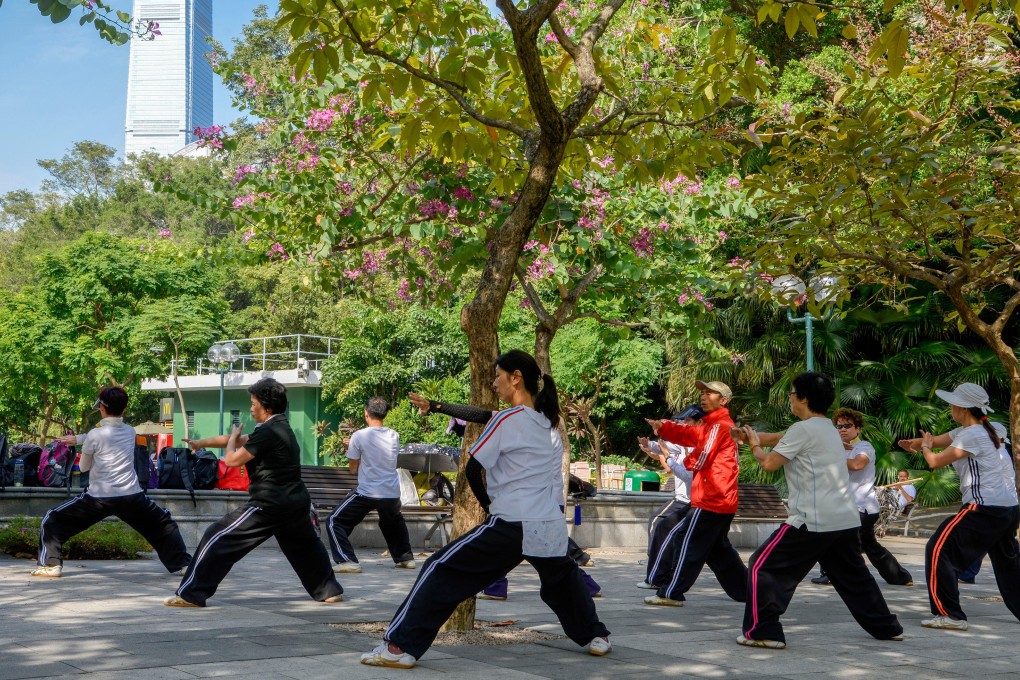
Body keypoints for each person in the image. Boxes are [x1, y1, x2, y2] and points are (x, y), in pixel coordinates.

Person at [360, 350, 611, 669]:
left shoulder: (509, 419)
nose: (493, 382)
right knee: (563, 580)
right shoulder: (550, 422)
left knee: (440, 568)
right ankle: (596, 636)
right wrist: (436, 406)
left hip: (512, 522)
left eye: (497, 376)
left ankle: (399, 648)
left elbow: (474, 467)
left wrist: (491, 508)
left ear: (515, 377)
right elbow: (482, 415)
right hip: (546, 521)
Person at [737, 372, 903, 649]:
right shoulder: (828, 428)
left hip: (811, 521)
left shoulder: (802, 430)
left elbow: (768, 463)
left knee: (761, 566)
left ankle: (763, 631)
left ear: (803, 398)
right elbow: (780, 437)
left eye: (791, 393)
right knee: (855, 578)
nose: (789, 398)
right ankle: (887, 627)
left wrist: (753, 444)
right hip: (845, 519)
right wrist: (746, 435)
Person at [164, 378, 343, 607]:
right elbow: (239, 441)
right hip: (295, 502)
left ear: (266, 406)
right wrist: (200, 442)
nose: (250, 408)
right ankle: (329, 590)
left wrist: (231, 438)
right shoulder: (278, 428)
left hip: (270, 503)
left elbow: (230, 458)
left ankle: (191, 594)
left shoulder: (269, 432)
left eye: (253, 403)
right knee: (306, 547)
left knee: (217, 536)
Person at [405, 391, 601, 600]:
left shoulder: (531, 427)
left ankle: (499, 586)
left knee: (538, 554)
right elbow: (481, 415)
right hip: (538, 505)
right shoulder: (541, 425)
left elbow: (478, 448)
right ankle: (583, 588)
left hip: (530, 507)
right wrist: (436, 405)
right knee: (545, 556)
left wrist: (487, 505)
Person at [897, 382, 1020, 630]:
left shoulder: (972, 435)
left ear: (962, 407)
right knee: (1009, 566)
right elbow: (944, 440)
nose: (950, 406)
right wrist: (917, 442)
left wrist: (924, 447)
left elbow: (934, 460)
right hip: (1009, 508)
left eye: (953, 403)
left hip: (983, 508)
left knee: (938, 549)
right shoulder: (992, 428)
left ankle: (950, 615)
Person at [33, 386, 191, 578]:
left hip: (98, 498)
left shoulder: (95, 434)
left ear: (101, 407)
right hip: (132, 496)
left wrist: (85, 444)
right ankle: (183, 564)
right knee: (163, 523)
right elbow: (107, 433)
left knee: (52, 519)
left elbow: (83, 467)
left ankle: (51, 565)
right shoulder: (130, 432)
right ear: (124, 409)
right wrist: (81, 439)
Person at [642, 380, 748, 607]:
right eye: (703, 392)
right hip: (718, 498)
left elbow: (701, 457)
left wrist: (680, 461)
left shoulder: (719, 426)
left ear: (723, 400)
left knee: (686, 541)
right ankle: (750, 592)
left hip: (712, 498)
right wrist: (664, 428)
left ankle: (670, 593)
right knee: (718, 551)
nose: (704, 396)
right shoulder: (712, 425)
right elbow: (690, 434)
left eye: (710, 393)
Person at [809, 408, 912, 587]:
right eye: (838, 426)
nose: (842, 429)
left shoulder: (864, 446)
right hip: (849, 507)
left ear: (858, 428)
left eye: (847, 425)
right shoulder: (836, 448)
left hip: (860, 508)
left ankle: (833, 575)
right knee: (870, 546)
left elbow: (857, 464)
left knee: (835, 541)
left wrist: (833, 455)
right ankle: (901, 577)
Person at [327, 397, 415, 573]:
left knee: (334, 521)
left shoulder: (358, 435)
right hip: (391, 492)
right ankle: (405, 558)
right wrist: (354, 446)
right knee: (392, 521)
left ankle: (347, 561)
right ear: (385, 413)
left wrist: (351, 448)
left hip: (368, 492)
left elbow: (353, 468)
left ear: (366, 414)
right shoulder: (393, 435)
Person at [636, 404, 702, 590]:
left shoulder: (702, 444)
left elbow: (688, 476)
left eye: (687, 421)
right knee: (718, 552)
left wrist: (668, 459)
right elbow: (665, 447)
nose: (683, 424)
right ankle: (661, 575)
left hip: (696, 502)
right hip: (696, 502)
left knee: (663, 527)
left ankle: (659, 576)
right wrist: (650, 445)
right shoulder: (685, 442)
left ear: (700, 422)